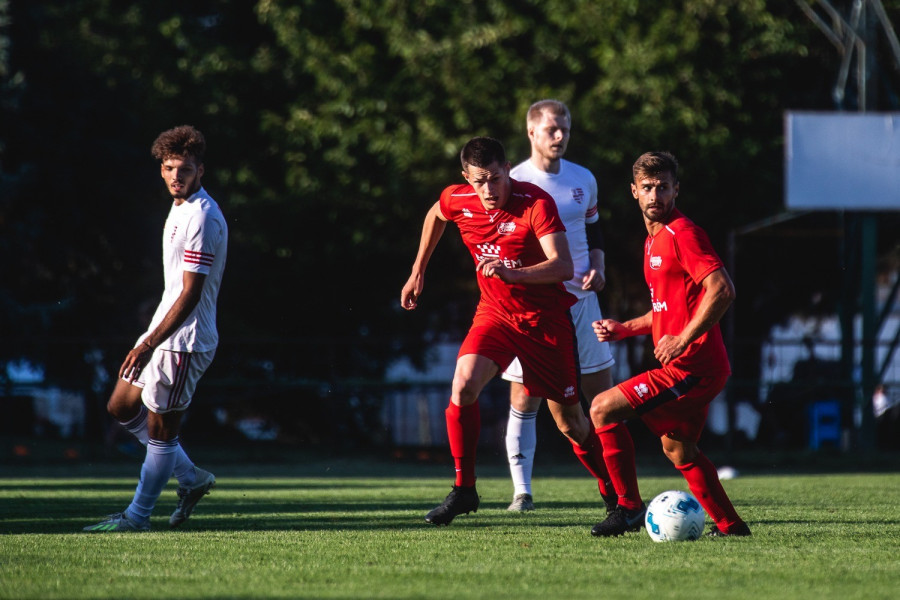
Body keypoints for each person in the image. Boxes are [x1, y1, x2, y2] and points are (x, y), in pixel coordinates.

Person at [401, 136, 616, 525]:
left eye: (495, 179)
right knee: (463, 386)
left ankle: (617, 496)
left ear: (507, 171)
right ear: (466, 178)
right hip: (495, 314)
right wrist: (418, 271)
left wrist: (513, 273)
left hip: (545, 322)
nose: (488, 189)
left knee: (570, 422)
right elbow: (436, 214)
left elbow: (563, 266)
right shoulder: (458, 199)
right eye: (479, 181)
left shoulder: (535, 203)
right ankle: (464, 490)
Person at [588, 151, 751, 538]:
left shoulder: (683, 234)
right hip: (696, 367)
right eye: (647, 187)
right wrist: (625, 328)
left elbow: (722, 290)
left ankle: (628, 508)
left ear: (676, 189)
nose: (655, 195)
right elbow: (667, 310)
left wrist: (683, 339)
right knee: (679, 449)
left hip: (693, 368)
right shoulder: (653, 242)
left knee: (602, 408)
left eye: (663, 187)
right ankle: (731, 527)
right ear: (634, 191)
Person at [84, 125, 228, 532]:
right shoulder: (180, 206)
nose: (175, 176)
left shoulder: (202, 216)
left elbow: (191, 294)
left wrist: (149, 342)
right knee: (121, 406)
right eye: (168, 168)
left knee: (161, 431)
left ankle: (137, 517)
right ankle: (191, 477)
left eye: (184, 169)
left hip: (185, 341)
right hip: (163, 331)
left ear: (201, 169)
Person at [501, 99, 615, 512]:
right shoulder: (514, 181)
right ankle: (522, 493)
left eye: (565, 128)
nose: (560, 136)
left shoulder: (583, 178)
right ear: (531, 132)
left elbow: (594, 230)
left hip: (583, 303)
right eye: (552, 129)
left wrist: (598, 267)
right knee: (524, 397)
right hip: (536, 306)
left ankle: (619, 490)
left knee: (604, 402)